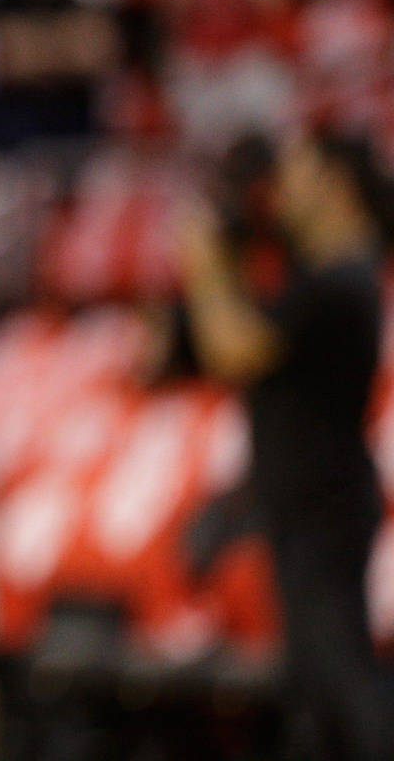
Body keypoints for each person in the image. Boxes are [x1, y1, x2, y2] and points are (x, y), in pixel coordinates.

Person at [176, 128, 394, 761]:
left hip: (325, 508)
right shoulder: (315, 274)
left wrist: (203, 265)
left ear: (335, 185)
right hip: (300, 506)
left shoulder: (344, 279)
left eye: (298, 170)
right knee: (313, 698)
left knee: (344, 683)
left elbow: (235, 347)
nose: (282, 187)